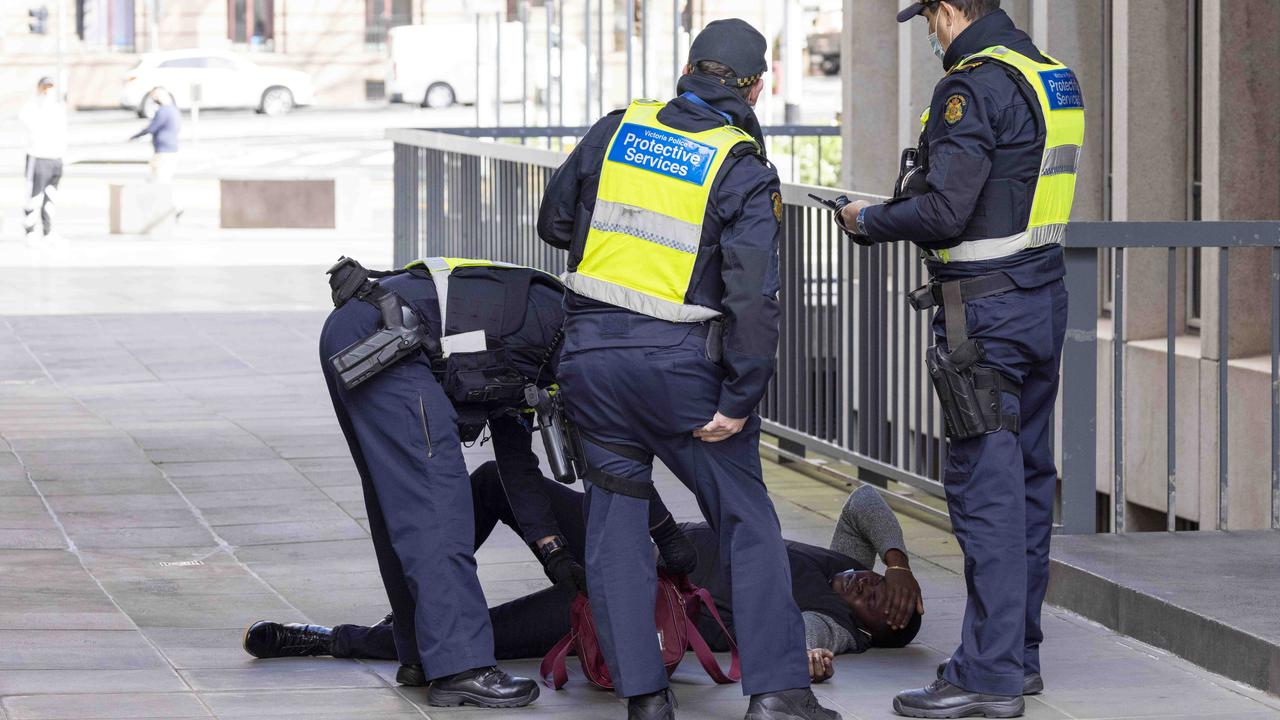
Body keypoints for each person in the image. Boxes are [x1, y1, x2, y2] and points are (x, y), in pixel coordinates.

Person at [536, 18, 839, 720]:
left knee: (615, 526)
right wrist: (740, 394)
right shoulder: (739, 166)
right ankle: (778, 693)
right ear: (757, 87)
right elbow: (753, 301)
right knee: (747, 523)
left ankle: (644, 697)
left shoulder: (617, 130)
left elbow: (555, 224)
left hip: (591, 365)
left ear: (688, 71)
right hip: (682, 376)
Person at [822, 1, 1082, 717]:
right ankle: (1017, 657)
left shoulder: (971, 86)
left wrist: (865, 219)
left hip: (986, 320)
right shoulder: (1052, 76)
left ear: (945, 11)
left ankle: (987, 676)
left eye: (929, 20)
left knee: (986, 499)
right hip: (1040, 300)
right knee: (1027, 489)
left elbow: (943, 213)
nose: (932, 34)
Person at [318, 256, 691, 704]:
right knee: (436, 503)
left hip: (365, 333)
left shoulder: (545, 338)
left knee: (400, 501)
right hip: (386, 340)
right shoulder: (570, 333)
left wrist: (552, 552)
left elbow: (516, 462)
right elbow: (611, 456)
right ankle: (461, 666)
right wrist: (666, 532)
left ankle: (422, 654)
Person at [244, 468, 924, 685]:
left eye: (885, 611)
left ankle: (331, 639)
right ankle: (426, 593)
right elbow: (865, 502)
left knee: (478, 637)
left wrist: (809, 657)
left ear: (872, 633)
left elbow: (806, 643)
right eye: (888, 593)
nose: (874, 596)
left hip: (631, 599)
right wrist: (898, 566)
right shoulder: (850, 566)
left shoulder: (835, 624)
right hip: (630, 533)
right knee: (500, 483)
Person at [18, 76, 67, 244]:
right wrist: (37, 98)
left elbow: (62, 132)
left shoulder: (58, 108)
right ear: (39, 88)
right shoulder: (32, 107)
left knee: (51, 196)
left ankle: (48, 232)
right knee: (34, 196)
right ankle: (30, 232)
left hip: (56, 157)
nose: (47, 91)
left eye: (50, 87)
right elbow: (26, 121)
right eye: (44, 87)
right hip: (38, 156)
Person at [130, 89, 181, 182]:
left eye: (155, 97)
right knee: (161, 178)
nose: (154, 100)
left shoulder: (164, 111)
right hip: (170, 148)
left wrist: (135, 137)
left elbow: (152, 128)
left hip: (164, 150)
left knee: (159, 179)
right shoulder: (173, 110)